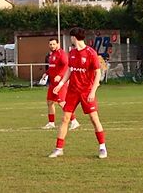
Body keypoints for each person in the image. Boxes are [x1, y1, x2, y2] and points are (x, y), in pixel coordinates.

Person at [48, 27, 107, 159]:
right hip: (72, 91)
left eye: (71, 37)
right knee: (65, 119)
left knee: (94, 119)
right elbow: (70, 70)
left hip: (86, 91)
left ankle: (102, 147)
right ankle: (59, 149)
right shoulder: (72, 52)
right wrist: (61, 84)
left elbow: (98, 74)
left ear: (74, 38)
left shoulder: (91, 53)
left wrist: (93, 92)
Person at [42, 38, 79, 131]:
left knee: (62, 103)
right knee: (50, 102)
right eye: (50, 44)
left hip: (60, 83)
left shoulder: (61, 54)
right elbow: (52, 67)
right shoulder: (52, 54)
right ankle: (51, 123)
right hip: (52, 83)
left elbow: (66, 66)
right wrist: (46, 73)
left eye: (54, 44)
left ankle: (74, 121)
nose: (52, 46)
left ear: (58, 44)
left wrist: (60, 75)